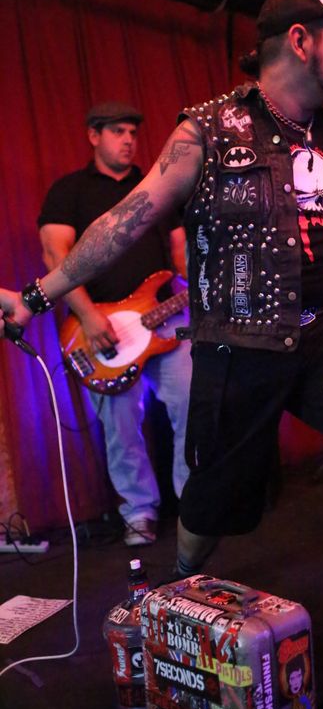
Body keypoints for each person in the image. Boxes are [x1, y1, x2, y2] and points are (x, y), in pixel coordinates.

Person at [0, 0, 323, 709]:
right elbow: (127, 219)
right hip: (242, 338)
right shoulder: (208, 129)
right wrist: (38, 297)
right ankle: (171, 595)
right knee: (212, 494)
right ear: (301, 40)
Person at [37, 102, 192, 546]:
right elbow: (56, 256)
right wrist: (88, 315)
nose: (128, 140)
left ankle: (193, 505)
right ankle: (139, 511)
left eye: (132, 133)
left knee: (192, 403)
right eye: (117, 131)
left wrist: (199, 284)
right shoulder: (69, 192)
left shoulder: (156, 187)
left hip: (165, 319)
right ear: (94, 136)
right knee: (121, 428)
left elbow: (180, 253)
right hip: (99, 329)